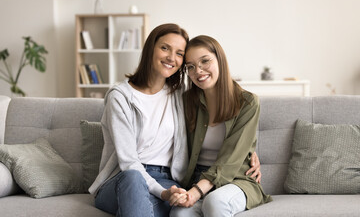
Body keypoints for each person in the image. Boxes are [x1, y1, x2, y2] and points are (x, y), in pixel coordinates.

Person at [88, 24, 261, 217]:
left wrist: (250, 151)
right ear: (149, 49)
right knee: (134, 180)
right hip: (122, 178)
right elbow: (128, 163)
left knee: (178, 211)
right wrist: (162, 193)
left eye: (179, 53)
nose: (171, 57)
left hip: (167, 180)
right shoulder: (121, 97)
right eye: (165, 48)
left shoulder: (179, 96)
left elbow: (234, 139)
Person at [170, 35, 272, 217]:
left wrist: (196, 191)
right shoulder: (186, 101)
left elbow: (232, 157)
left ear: (220, 60)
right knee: (178, 214)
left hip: (237, 180)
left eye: (205, 61)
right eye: (191, 67)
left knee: (215, 202)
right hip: (197, 178)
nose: (198, 71)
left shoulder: (247, 103)